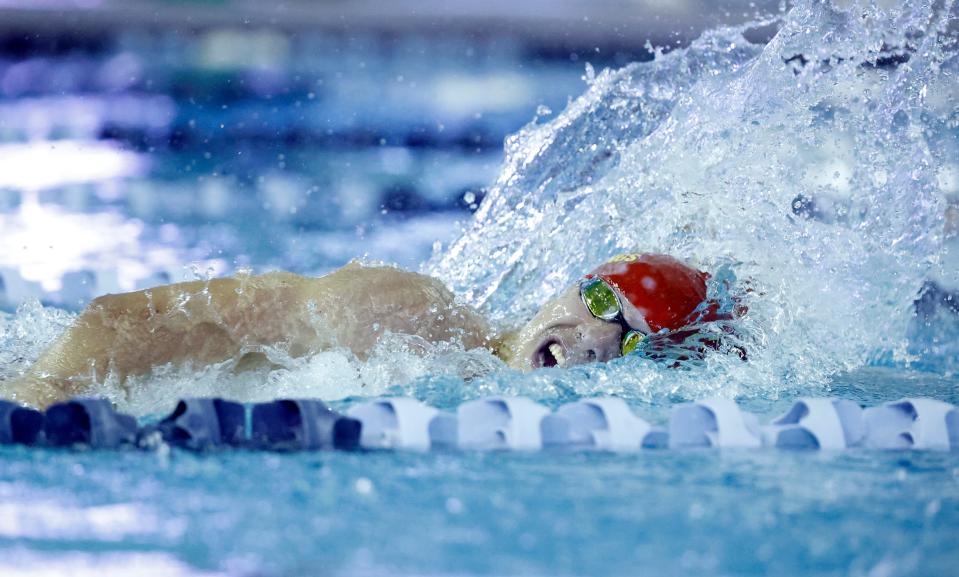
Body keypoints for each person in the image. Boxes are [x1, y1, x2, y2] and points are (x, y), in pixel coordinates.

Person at [4, 253, 740, 408]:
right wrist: (43, 393)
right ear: (566, 284)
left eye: (634, 341)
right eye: (601, 304)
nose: (593, 342)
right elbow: (126, 319)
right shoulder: (404, 315)